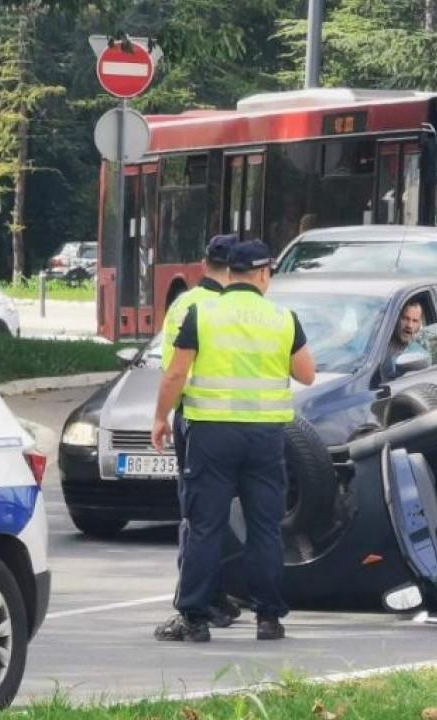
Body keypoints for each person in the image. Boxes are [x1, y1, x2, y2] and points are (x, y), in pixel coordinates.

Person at [151, 240, 316, 643]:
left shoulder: (201, 313)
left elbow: (175, 374)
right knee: (264, 527)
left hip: (211, 433)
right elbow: (307, 374)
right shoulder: (283, 318)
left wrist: (160, 417)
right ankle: (268, 618)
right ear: (262, 275)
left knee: (205, 525)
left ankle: (194, 617)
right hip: (264, 437)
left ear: (228, 273)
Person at [161, 234, 240, 629]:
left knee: (197, 516)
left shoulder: (184, 305)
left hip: (196, 420)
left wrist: (163, 415)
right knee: (236, 516)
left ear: (202, 262)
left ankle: (199, 600)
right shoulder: (245, 308)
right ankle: (224, 596)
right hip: (250, 424)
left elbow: (174, 370)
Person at [381, 300, 428, 380]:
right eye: (405, 318)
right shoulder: (376, 344)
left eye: (415, 321)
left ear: (419, 325)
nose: (409, 325)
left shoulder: (417, 352)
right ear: (396, 319)